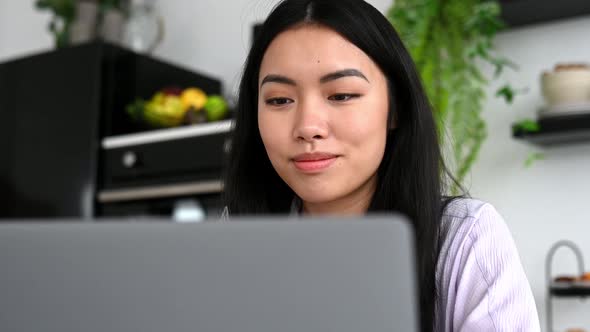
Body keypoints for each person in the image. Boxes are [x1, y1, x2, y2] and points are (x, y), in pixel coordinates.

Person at [222, 0, 540, 330]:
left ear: (395, 108)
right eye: (279, 100)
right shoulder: (232, 237)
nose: (307, 126)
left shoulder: (465, 240)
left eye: (342, 95)